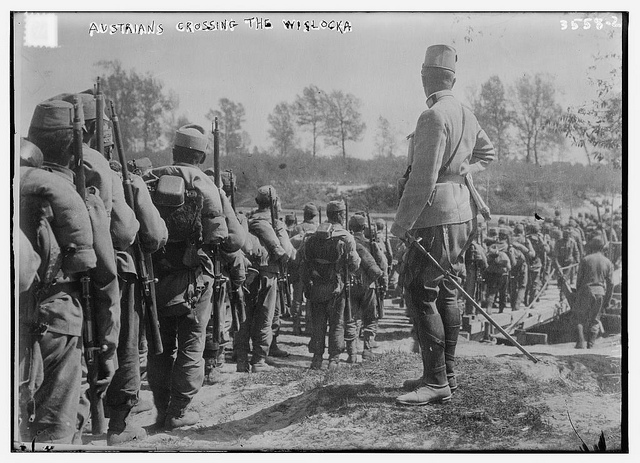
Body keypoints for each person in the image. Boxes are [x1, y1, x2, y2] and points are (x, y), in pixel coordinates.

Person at [391, 44, 495, 405]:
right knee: (447, 291)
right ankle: (443, 374)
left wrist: (399, 227)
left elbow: (422, 180)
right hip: (462, 213)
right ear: (452, 78)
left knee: (420, 291)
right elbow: (488, 154)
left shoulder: (433, 116)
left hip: (434, 216)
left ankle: (436, 382)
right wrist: (468, 169)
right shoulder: (466, 112)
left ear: (425, 77)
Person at [19, 100, 107, 444]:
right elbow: (94, 268)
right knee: (54, 425)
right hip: (56, 314)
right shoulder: (68, 193)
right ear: (74, 146)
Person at [146, 124, 228, 429]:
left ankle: (160, 408)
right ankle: (179, 411)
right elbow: (219, 236)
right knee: (191, 344)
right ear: (202, 155)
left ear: (174, 151)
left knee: (159, 345)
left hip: (153, 277)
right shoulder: (205, 184)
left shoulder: (149, 178)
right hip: (193, 277)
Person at [104, 155, 168, 444]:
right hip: (118, 269)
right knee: (126, 342)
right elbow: (149, 235)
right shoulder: (115, 176)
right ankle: (120, 422)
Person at [298, 200, 360, 370]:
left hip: (315, 286)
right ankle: (334, 359)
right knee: (336, 323)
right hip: (337, 288)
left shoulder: (312, 234)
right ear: (340, 215)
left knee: (318, 322)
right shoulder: (345, 236)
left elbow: (301, 258)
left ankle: (317, 358)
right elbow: (354, 264)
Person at [243, 186, 294, 372]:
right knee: (265, 317)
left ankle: (241, 357)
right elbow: (288, 253)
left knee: (245, 316)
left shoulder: (248, 220)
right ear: (274, 202)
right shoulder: (275, 224)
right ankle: (258, 361)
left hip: (248, 274)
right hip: (268, 274)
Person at [346, 214, 385, 362]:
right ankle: (367, 351)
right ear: (364, 228)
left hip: (350, 285)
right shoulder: (371, 244)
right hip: (369, 286)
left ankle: (352, 353)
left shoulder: (346, 242)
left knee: (351, 318)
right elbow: (382, 265)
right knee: (370, 318)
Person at [573, 237, 614, 349]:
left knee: (580, 318)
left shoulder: (586, 259)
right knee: (595, 320)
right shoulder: (608, 262)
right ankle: (590, 345)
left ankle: (580, 344)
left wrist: (578, 294)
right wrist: (607, 300)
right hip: (600, 292)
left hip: (586, 291)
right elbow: (610, 284)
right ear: (603, 248)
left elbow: (579, 280)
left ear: (591, 247)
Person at [289, 202, 319, 335]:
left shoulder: (297, 229)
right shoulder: (319, 229)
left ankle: (296, 325)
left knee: (297, 297)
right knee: (310, 298)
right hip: (312, 269)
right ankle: (309, 326)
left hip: (298, 267)